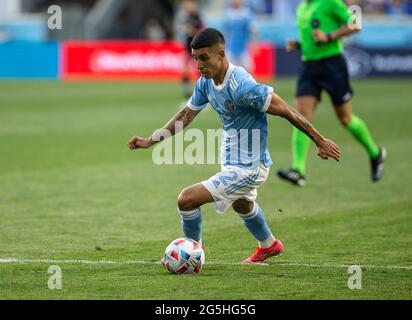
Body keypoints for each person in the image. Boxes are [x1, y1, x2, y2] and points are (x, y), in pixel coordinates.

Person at [128, 28, 341, 263]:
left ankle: (190, 255)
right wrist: (151, 140)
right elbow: (186, 116)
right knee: (242, 203)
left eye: (204, 58)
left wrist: (319, 140)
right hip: (231, 157)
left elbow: (287, 110)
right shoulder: (205, 83)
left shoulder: (243, 86)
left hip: (250, 166)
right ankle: (269, 245)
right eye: (195, 58)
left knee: (186, 199)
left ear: (221, 54)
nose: (198, 65)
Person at [277, 0, 386, 187]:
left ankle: (375, 153)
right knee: (300, 115)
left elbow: (355, 24)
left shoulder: (330, 2)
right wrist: (300, 44)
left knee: (345, 118)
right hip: (309, 66)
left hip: (332, 65)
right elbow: (313, 38)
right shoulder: (302, 7)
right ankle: (298, 170)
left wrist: (329, 36)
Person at [178, 0, 204, 99]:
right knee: (184, 71)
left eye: (188, 4)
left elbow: (202, 31)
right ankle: (187, 96)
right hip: (187, 47)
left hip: (196, 48)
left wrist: (192, 31)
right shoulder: (186, 17)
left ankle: (202, 95)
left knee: (200, 71)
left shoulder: (197, 17)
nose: (186, 6)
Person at [223, 0, 257, 70]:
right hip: (230, 48)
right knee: (228, 70)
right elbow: (225, 31)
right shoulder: (228, 14)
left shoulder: (246, 13)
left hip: (243, 49)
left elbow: (253, 30)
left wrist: (255, 43)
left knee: (248, 69)